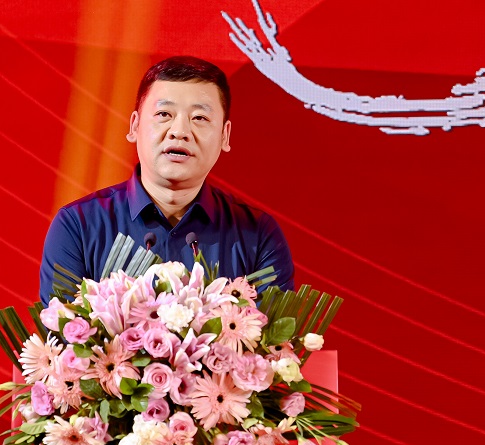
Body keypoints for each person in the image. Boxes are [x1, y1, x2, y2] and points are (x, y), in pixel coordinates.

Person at [39, 56, 294, 303]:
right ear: (134, 126)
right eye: (164, 114)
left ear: (224, 136)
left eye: (199, 118)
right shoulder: (79, 226)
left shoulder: (258, 235)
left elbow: (271, 332)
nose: (180, 131)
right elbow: (63, 329)